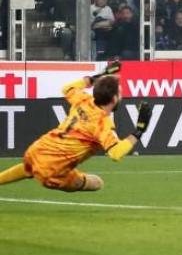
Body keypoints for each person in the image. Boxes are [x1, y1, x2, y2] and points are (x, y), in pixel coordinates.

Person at [0, 62, 153, 192]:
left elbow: (67, 88)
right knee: (97, 183)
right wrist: (139, 130)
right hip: (53, 171)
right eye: (120, 94)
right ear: (114, 99)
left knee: (30, 168)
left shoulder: (84, 100)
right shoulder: (101, 123)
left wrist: (97, 76)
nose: (122, 96)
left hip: (37, 149)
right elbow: (115, 153)